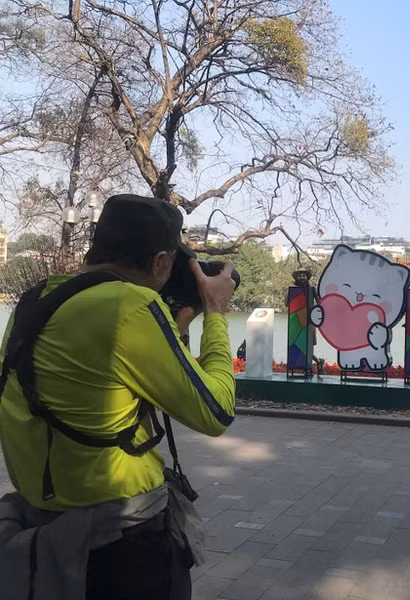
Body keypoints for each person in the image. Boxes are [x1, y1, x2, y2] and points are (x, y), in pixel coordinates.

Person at [0, 194, 237, 600]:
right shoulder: (131, 305)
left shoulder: (35, 300)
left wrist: (176, 329)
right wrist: (214, 312)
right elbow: (215, 411)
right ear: (161, 262)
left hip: (46, 528)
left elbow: (100, 383)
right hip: (124, 545)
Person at [286, 268, 324, 375]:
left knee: (307, 344)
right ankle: (316, 362)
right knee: (296, 344)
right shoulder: (291, 289)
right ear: (296, 278)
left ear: (307, 278)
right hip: (294, 321)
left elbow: (319, 303)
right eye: (299, 276)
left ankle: (315, 363)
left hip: (309, 321)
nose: (302, 277)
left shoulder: (312, 289)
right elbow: (286, 303)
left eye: (304, 276)